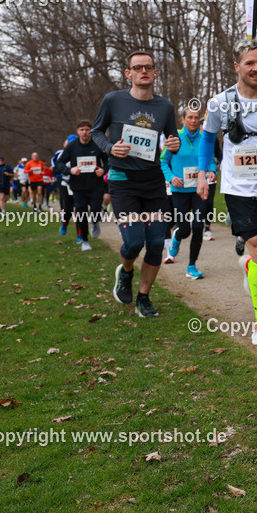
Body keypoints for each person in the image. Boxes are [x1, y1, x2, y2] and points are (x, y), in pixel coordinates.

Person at [197, 38, 257, 345]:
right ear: (237, 67)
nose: (256, 69)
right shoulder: (219, 103)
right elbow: (207, 137)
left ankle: (252, 266)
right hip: (238, 188)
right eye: (250, 63)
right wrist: (204, 172)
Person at [91, 50, 180, 317]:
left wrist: (173, 145)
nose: (144, 71)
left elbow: (172, 138)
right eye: (137, 67)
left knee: (154, 243)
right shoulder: (113, 100)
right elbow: (96, 131)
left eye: (148, 67)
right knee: (133, 243)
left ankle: (143, 297)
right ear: (128, 73)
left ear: (155, 73)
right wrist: (109, 148)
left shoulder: (165, 106)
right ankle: (126, 271)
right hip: (123, 180)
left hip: (152, 182)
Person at [161, 106, 214, 279]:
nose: (193, 121)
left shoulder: (205, 139)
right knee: (185, 230)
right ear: (182, 120)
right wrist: (171, 178)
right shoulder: (175, 139)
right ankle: (176, 239)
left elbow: (211, 161)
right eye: (189, 117)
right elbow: (163, 162)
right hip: (180, 191)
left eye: (196, 117)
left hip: (198, 190)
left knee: (198, 227)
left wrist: (212, 170)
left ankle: (192, 266)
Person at [56, 120, 108, 251]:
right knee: (81, 214)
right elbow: (59, 163)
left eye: (87, 129)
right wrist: (70, 170)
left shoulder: (97, 145)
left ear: (91, 131)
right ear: (77, 131)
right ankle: (85, 240)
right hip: (78, 186)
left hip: (96, 185)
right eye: (82, 130)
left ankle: (95, 222)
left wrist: (103, 170)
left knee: (95, 210)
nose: (84, 132)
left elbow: (109, 160)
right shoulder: (72, 146)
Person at [53, 135, 77, 235]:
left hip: (81, 184)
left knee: (80, 208)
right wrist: (67, 171)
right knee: (68, 208)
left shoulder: (83, 151)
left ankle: (81, 235)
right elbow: (56, 167)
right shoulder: (61, 154)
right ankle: (65, 223)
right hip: (65, 182)